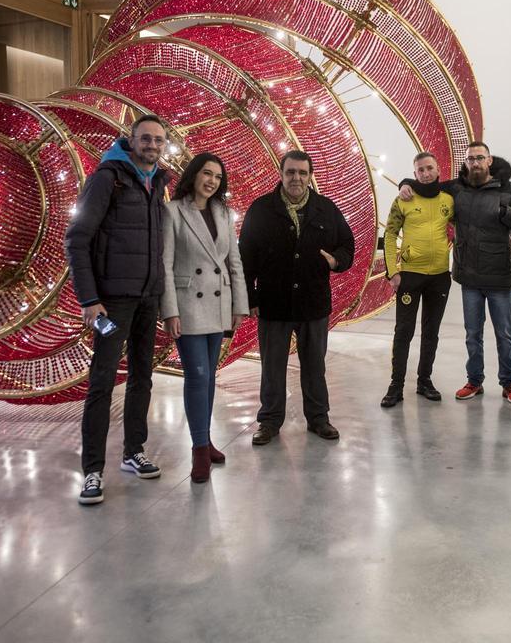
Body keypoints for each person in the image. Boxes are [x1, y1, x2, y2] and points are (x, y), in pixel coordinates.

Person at [65, 114, 170, 505]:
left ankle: (133, 452)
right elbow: (77, 239)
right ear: (131, 140)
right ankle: (92, 471)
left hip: (147, 299)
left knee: (143, 377)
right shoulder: (108, 177)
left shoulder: (157, 182)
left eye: (159, 140)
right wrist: (89, 299)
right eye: (146, 139)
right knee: (102, 383)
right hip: (112, 303)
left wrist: (159, 294)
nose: (152, 145)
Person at [239, 150, 355, 445]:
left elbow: (347, 245)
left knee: (315, 364)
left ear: (309, 176)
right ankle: (269, 421)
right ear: (281, 173)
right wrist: (249, 297)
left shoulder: (326, 209)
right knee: (272, 366)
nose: (296, 178)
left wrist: (336, 261)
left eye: (302, 173)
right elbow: (246, 258)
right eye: (291, 172)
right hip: (273, 302)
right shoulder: (261, 209)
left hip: (313, 304)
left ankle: (318, 418)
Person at [400, 141, 511, 404]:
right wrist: (405, 182)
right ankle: (475, 380)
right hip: (469, 275)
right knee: (472, 333)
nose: (475, 163)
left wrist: (507, 213)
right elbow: (428, 185)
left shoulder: (509, 188)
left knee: (504, 333)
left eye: (480, 158)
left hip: (500, 275)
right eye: (470, 159)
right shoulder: (457, 187)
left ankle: (509, 382)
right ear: (466, 162)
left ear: (489, 160)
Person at [160, 153, 248, 483]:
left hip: (220, 304)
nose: (211, 180)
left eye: (217, 176)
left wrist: (239, 304)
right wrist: (169, 310)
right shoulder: (173, 211)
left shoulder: (223, 213)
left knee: (210, 376)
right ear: (194, 175)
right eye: (206, 174)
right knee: (197, 376)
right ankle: (198, 449)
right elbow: (165, 265)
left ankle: (205, 439)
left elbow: (234, 263)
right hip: (188, 305)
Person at [379, 151, 453, 408]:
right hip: (410, 277)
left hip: (440, 277)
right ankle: (396, 385)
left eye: (429, 168)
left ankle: (425, 381)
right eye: (420, 170)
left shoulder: (448, 200)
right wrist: (392, 271)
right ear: (415, 174)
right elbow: (389, 235)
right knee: (404, 332)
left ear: (438, 170)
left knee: (431, 332)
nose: (425, 173)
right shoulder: (403, 200)